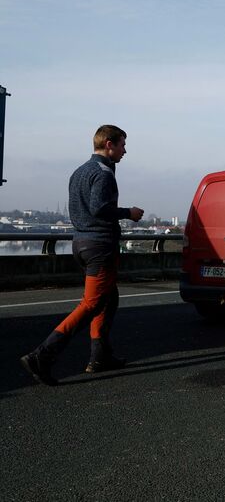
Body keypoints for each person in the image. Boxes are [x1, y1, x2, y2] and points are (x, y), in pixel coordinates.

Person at [20, 125, 144, 385]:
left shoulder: (79, 172)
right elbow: (99, 208)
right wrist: (128, 213)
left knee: (108, 298)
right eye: (122, 144)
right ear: (109, 144)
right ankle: (41, 356)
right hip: (99, 246)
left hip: (81, 243)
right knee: (90, 304)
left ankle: (100, 356)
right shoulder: (103, 173)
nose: (125, 150)